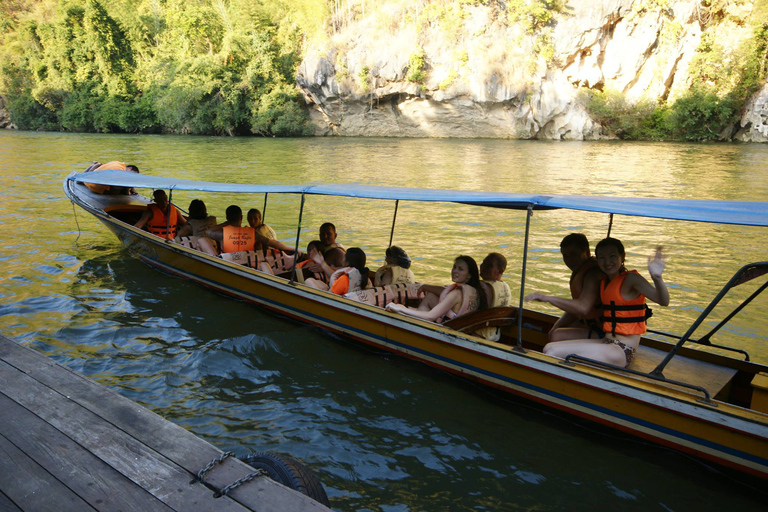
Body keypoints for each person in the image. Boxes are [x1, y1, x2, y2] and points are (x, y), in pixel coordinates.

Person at [528, 238, 669, 368]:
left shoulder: (631, 279)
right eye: (602, 258)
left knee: (552, 352)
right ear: (597, 259)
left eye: (612, 256)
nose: (607, 262)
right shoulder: (606, 282)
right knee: (549, 347)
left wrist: (657, 278)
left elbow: (663, 301)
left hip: (622, 349)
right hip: (607, 342)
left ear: (622, 256)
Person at [386, 255, 485, 323]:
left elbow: (430, 316)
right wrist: (425, 286)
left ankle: (418, 325)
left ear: (469, 275)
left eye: (460, 269)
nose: (455, 271)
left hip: (449, 328)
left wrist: (400, 308)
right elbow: (444, 292)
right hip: (460, 325)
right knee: (431, 296)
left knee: (427, 301)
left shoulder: (457, 294)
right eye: (454, 267)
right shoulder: (474, 290)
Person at [544, 233, 605, 342]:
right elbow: (575, 309)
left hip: (604, 330)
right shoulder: (581, 272)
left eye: (574, 254)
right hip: (591, 324)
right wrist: (556, 326)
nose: (569, 261)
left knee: (557, 336)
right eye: (565, 256)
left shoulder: (593, 275)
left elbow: (583, 307)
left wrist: (548, 298)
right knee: (557, 330)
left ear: (587, 252)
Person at [201, 205, 294, 257]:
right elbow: (272, 242)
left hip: (229, 262)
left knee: (202, 240)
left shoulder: (222, 234)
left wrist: (225, 223)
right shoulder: (252, 232)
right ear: (241, 218)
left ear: (227, 218)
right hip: (248, 263)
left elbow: (208, 231)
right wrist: (291, 249)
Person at [476, 252, 513, 341]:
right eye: (483, 263)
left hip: (478, 334)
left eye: (489, 265)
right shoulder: (506, 286)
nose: (482, 266)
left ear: (500, 271)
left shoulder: (481, 286)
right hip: (495, 336)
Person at [304, 247, 371, 294]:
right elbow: (334, 275)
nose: (342, 258)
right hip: (351, 300)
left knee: (308, 281)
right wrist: (322, 263)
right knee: (319, 282)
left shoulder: (344, 279)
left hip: (336, 303)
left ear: (347, 263)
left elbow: (330, 295)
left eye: (344, 257)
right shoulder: (365, 278)